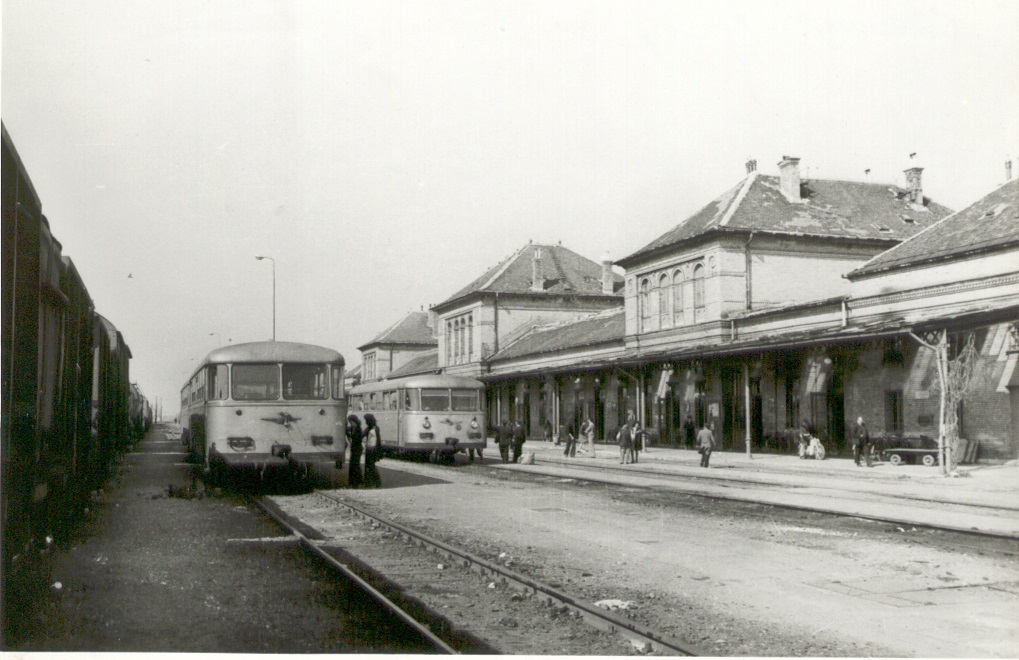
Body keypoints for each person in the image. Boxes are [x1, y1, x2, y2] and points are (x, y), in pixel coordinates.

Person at [362, 414, 382, 488]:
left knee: (371, 466)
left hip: (373, 449)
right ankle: (372, 482)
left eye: (366, 420)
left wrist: (379, 451)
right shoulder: (370, 428)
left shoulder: (374, 428)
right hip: (369, 449)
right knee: (370, 466)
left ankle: (375, 482)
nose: (365, 422)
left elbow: (378, 440)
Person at [346, 414, 363, 488]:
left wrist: (350, 435)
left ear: (354, 421)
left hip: (357, 449)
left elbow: (357, 439)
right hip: (355, 448)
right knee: (354, 465)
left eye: (351, 422)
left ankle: (356, 483)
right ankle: (355, 483)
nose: (350, 424)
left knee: (355, 466)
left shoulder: (358, 429)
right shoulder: (354, 427)